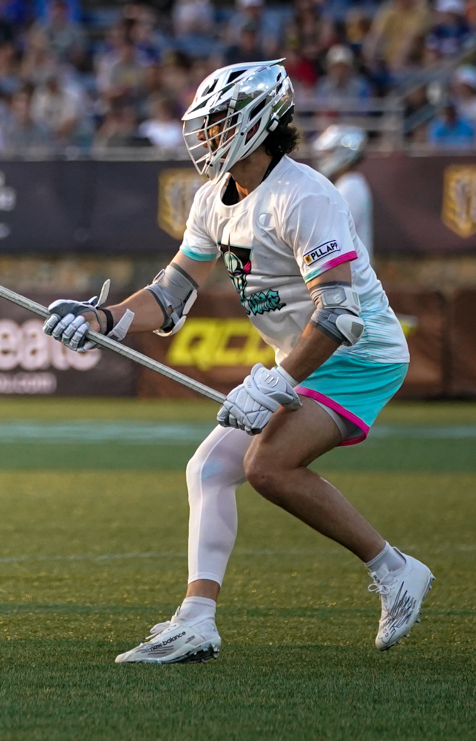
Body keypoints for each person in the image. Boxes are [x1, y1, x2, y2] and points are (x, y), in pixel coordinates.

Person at [43, 60, 431, 664]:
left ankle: (395, 569)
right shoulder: (211, 200)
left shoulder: (305, 195)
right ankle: (197, 621)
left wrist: (277, 381)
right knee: (208, 469)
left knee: (266, 466)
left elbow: (339, 315)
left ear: (258, 123)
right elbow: (171, 292)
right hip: (303, 355)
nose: (206, 135)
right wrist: (102, 320)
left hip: (359, 357)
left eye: (219, 121)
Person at [312, 125, 372, 261]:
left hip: (353, 270)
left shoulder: (351, 187)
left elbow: (337, 233)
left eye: (329, 152)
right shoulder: (347, 183)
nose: (324, 158)